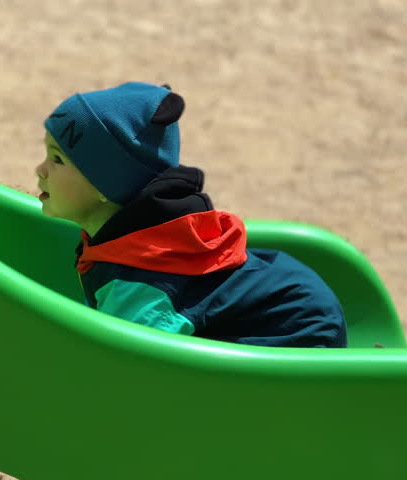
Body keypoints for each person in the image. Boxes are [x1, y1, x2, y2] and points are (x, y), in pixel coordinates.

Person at [35, 82, 347, 348]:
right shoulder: (120, 234)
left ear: (105, 183)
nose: (41, 170)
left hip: (297, 336)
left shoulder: (145, 286)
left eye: (57, 159)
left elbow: (128, 375)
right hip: (288, 299)